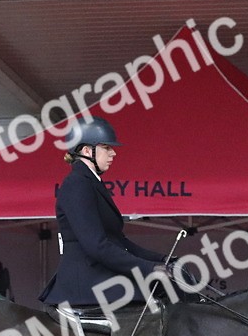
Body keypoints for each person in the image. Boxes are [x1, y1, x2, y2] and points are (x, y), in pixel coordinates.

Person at [38, 116, 169, 308]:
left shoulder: (91, 183)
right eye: (106, 147)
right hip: (86, 281)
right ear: (86, 151)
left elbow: (119, 241)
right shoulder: (77, 184)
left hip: (98, 273)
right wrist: (148, 268)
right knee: (149, 300)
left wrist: (162, 260)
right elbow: (97, 245)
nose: (113, 153)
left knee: (165, 288)